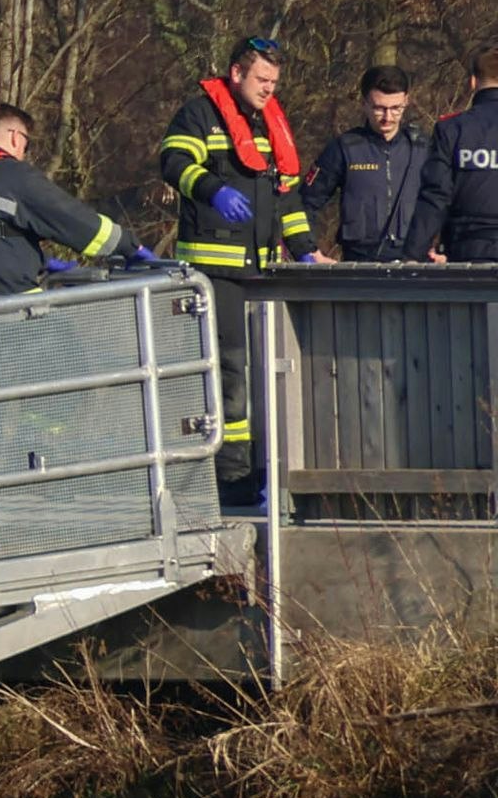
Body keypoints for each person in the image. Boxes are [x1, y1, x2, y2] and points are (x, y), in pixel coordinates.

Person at [157, 38, 318, 506]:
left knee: (269, 371)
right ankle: (232, 476)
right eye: (261, 80)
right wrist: (212, 190)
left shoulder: (271, 122)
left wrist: (305, 248)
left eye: (274, 83)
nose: (269, 90)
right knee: (231, 369)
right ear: (235, 74)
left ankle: (264, 468)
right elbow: (174, 162)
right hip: (215, 267)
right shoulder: (198, 114)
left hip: (264, 270)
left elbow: (286, 192)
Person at [0, 105, 142, 301]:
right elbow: (68, 217)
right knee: (72, 343)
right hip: (2, 301)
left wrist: (40, 259)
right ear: (14, 137)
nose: (24, 152)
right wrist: (128, 245)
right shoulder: (12, 174)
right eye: (26, 143)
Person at [321, 64, 434, 260]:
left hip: (413, 261)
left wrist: (442, 247)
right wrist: (310, 250)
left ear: (406, 101)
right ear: (364, 103)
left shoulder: (423, 149)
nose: (388, 117)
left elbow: (446, 202)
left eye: (396, 108)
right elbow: (307, 201)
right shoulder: (345, 148)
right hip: (360, 262)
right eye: (379, 108)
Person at [417, 47, 498, 264]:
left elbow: (435, 194)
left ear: (473, 82)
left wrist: (413, 252)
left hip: (466, 249)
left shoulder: (451, 129)